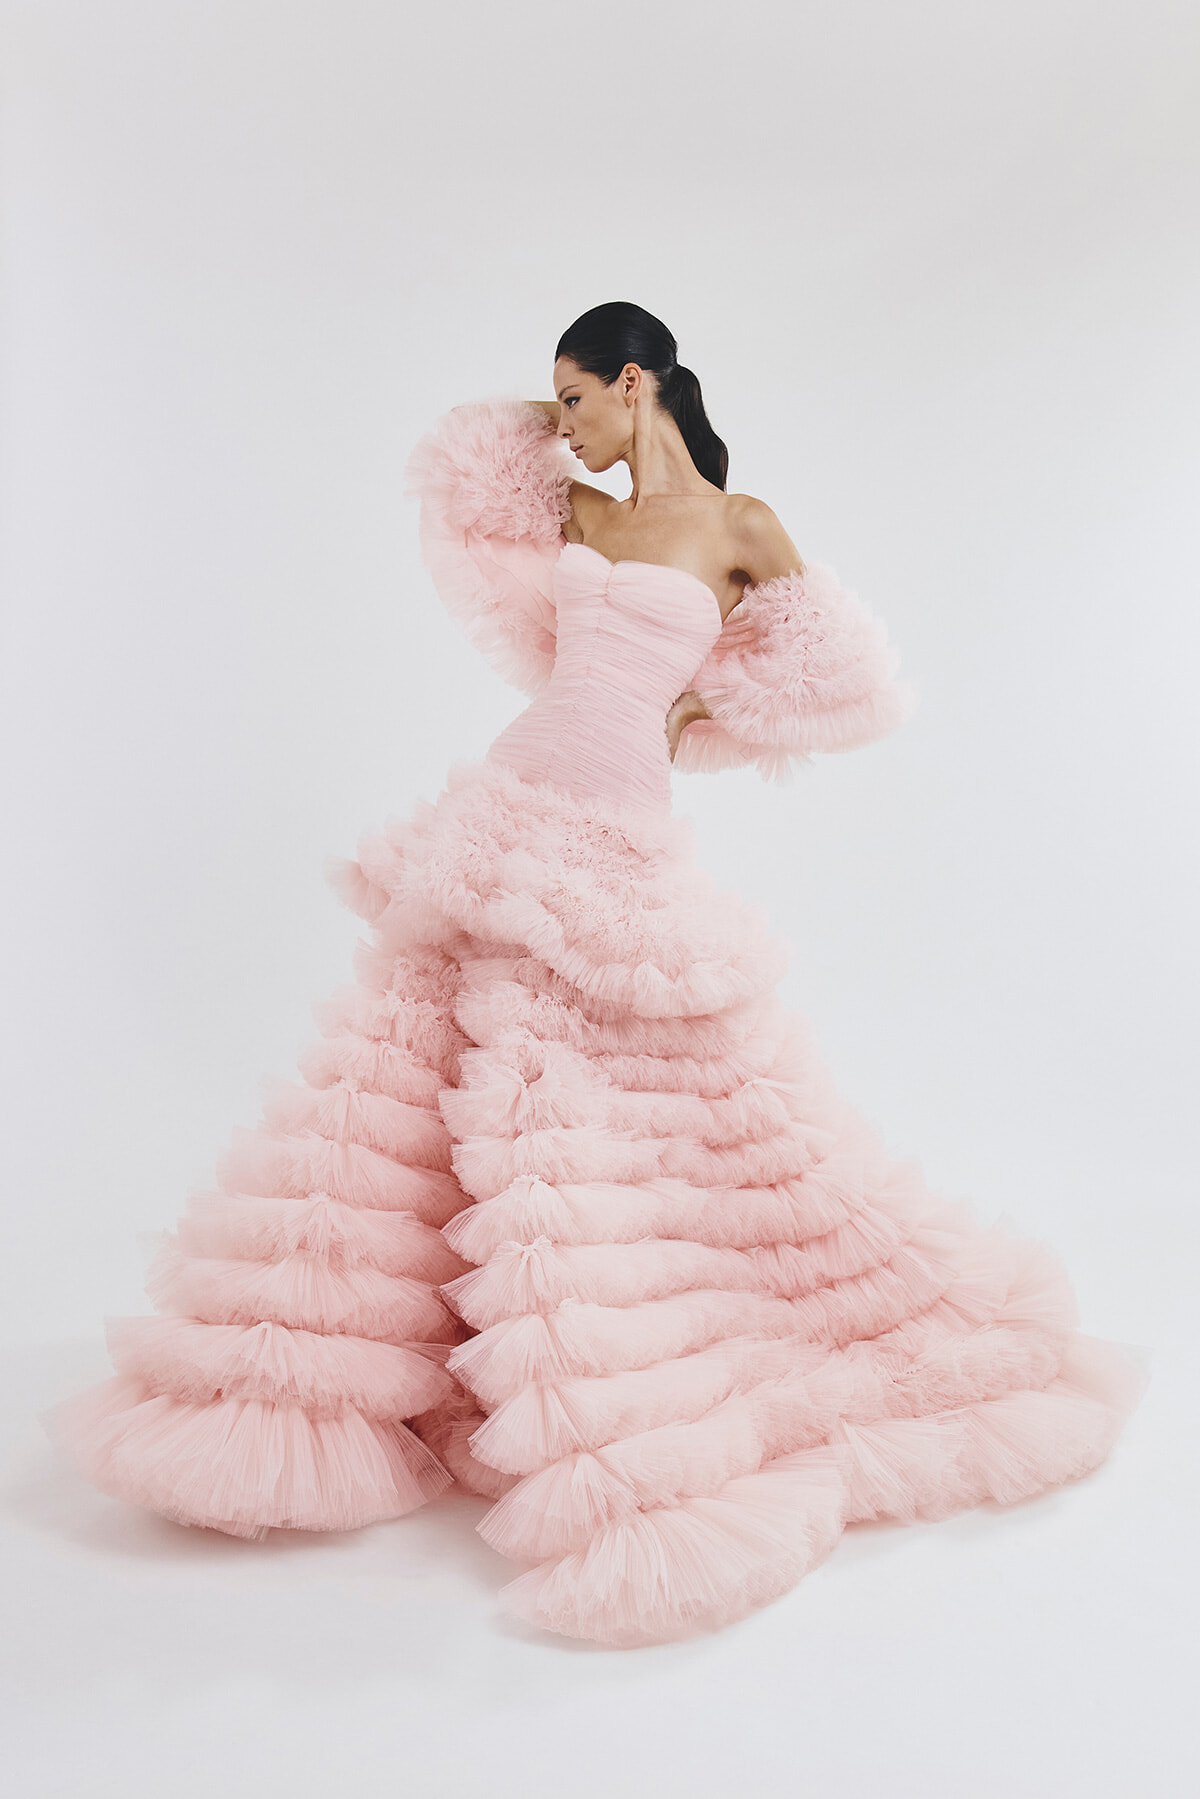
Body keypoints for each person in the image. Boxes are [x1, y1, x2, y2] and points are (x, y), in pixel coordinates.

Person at [47, 301, 1147, 1649]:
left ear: (641, 384)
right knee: (407, 1085)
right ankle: (370, 1376)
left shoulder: (740, 527)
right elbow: (467, 461)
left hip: (619, 830)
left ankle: (605, 1348)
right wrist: (554, 419)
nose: (559, 424)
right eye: (556, 404)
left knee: (612, 1109)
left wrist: (712, 707)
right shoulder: (578, 513)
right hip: (511, 803)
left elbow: (854, 688)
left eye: (579, 397)